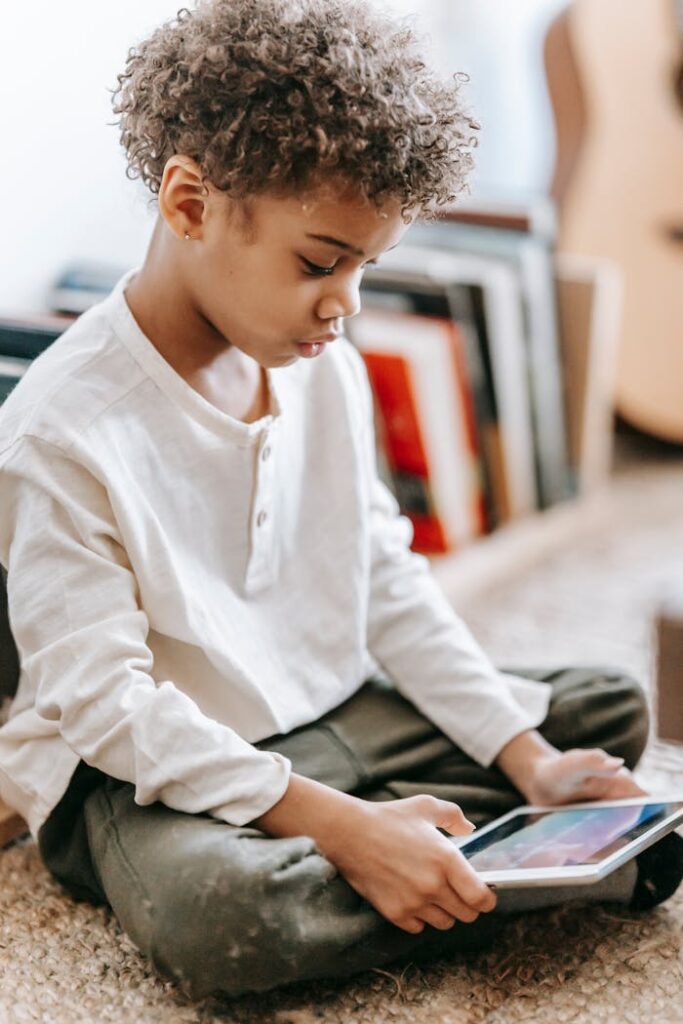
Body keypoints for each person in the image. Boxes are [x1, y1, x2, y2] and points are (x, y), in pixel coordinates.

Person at [0, 0, 680, 1003]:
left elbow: (380, 578)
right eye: (320, 262)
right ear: (188, 203)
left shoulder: (319, 360)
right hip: (142, 767)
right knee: (225, 919)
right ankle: (458, 858)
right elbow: (108, 708)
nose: (345, 303)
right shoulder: (61, 428)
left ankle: (432, 849)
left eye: (365, 266)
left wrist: (529, 762)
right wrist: (341, 822)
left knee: (598, 710)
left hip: (326, 702)